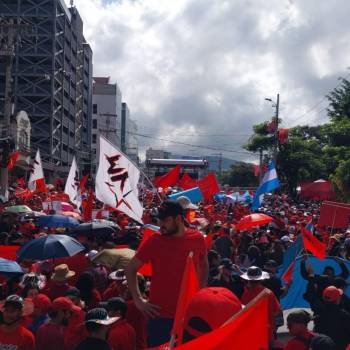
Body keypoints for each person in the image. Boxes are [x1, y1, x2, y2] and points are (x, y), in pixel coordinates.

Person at [126, 200, 208, 347]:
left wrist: (201, 291)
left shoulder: (197, 239)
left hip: (188, 314)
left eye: (165, 220)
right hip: (160, 316)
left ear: (178, 219)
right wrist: (138, 300)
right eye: (159, 220)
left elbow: (203, 263)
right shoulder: (155, 241)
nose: (161, 224)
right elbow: (131, 268)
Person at [240, 266, 281, 342]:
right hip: (267, 331)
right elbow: (277, 311)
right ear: (261, 280)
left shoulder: (245, 294)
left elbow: (242, 313)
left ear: (248, 280)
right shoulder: (268, 293)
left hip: (251, 332)